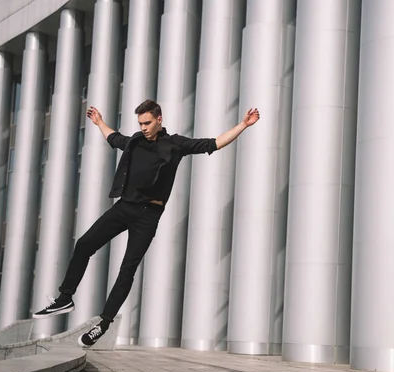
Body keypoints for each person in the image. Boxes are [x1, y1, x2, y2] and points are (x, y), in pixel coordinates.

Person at [33, 99, 260, 348]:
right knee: (85, 244)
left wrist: (243, 125)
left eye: (147, 123)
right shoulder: (134, 141)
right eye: (140, 123)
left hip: (148, 215)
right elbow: (114, 138)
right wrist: (99, 122)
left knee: (126, 269)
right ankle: (65, 297)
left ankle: (103, 325)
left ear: (159, 119)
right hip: (124, 207)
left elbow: (213, 143)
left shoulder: (175, 144)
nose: (143, 127)